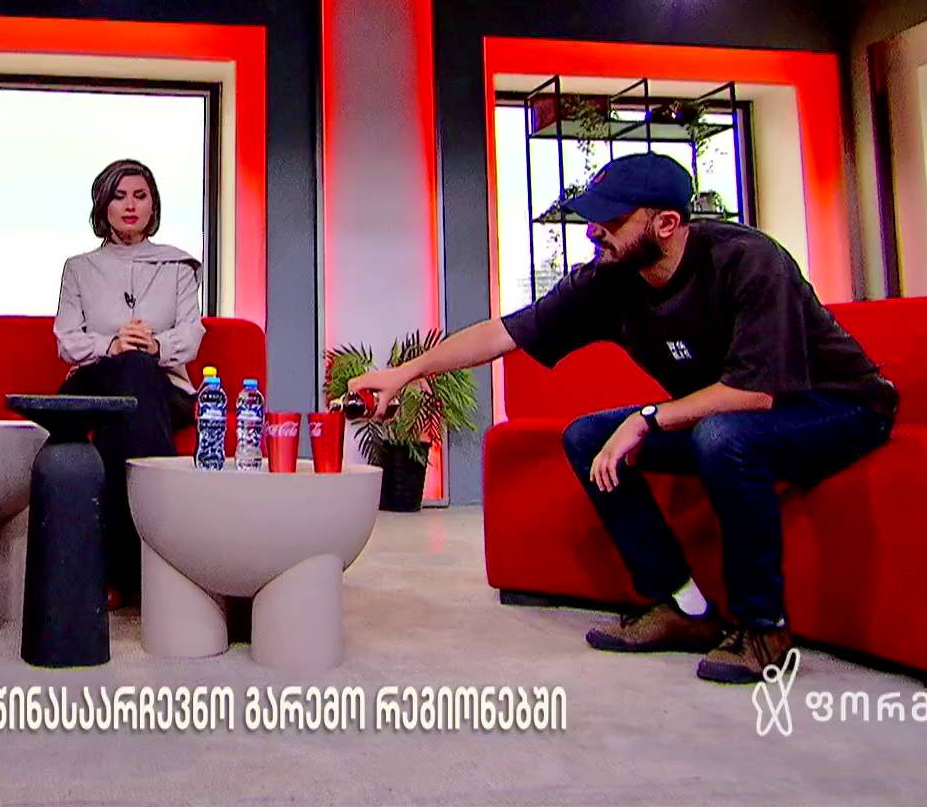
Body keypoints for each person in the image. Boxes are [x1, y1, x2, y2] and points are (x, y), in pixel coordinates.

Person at [349, 152, 896, 684]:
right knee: (589, 437)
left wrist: (646, 419)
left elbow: (755, 393)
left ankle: (763, 631)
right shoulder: (609, 280)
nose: (594, 232)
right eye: (592, 218)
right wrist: (405, 373)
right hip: (732, 413)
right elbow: (503, 333)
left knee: (722, 436)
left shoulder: (748, 261)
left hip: (838, 408)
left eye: (611, 220)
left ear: (666, 224)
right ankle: (683, 607)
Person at [53, 158, 206, 608]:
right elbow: (67, 339)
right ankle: (163, 559)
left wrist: (155, 346)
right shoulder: (79, 268)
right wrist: (113, 345)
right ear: (103, 205)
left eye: (140, 196)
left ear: (153, 205)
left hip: (162, 385)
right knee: (129, 372)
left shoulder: (177, 266)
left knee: (134, 383)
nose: (130, 205)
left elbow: (192, 333)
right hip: (94, 380)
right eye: (119, 196)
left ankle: (113, 572)